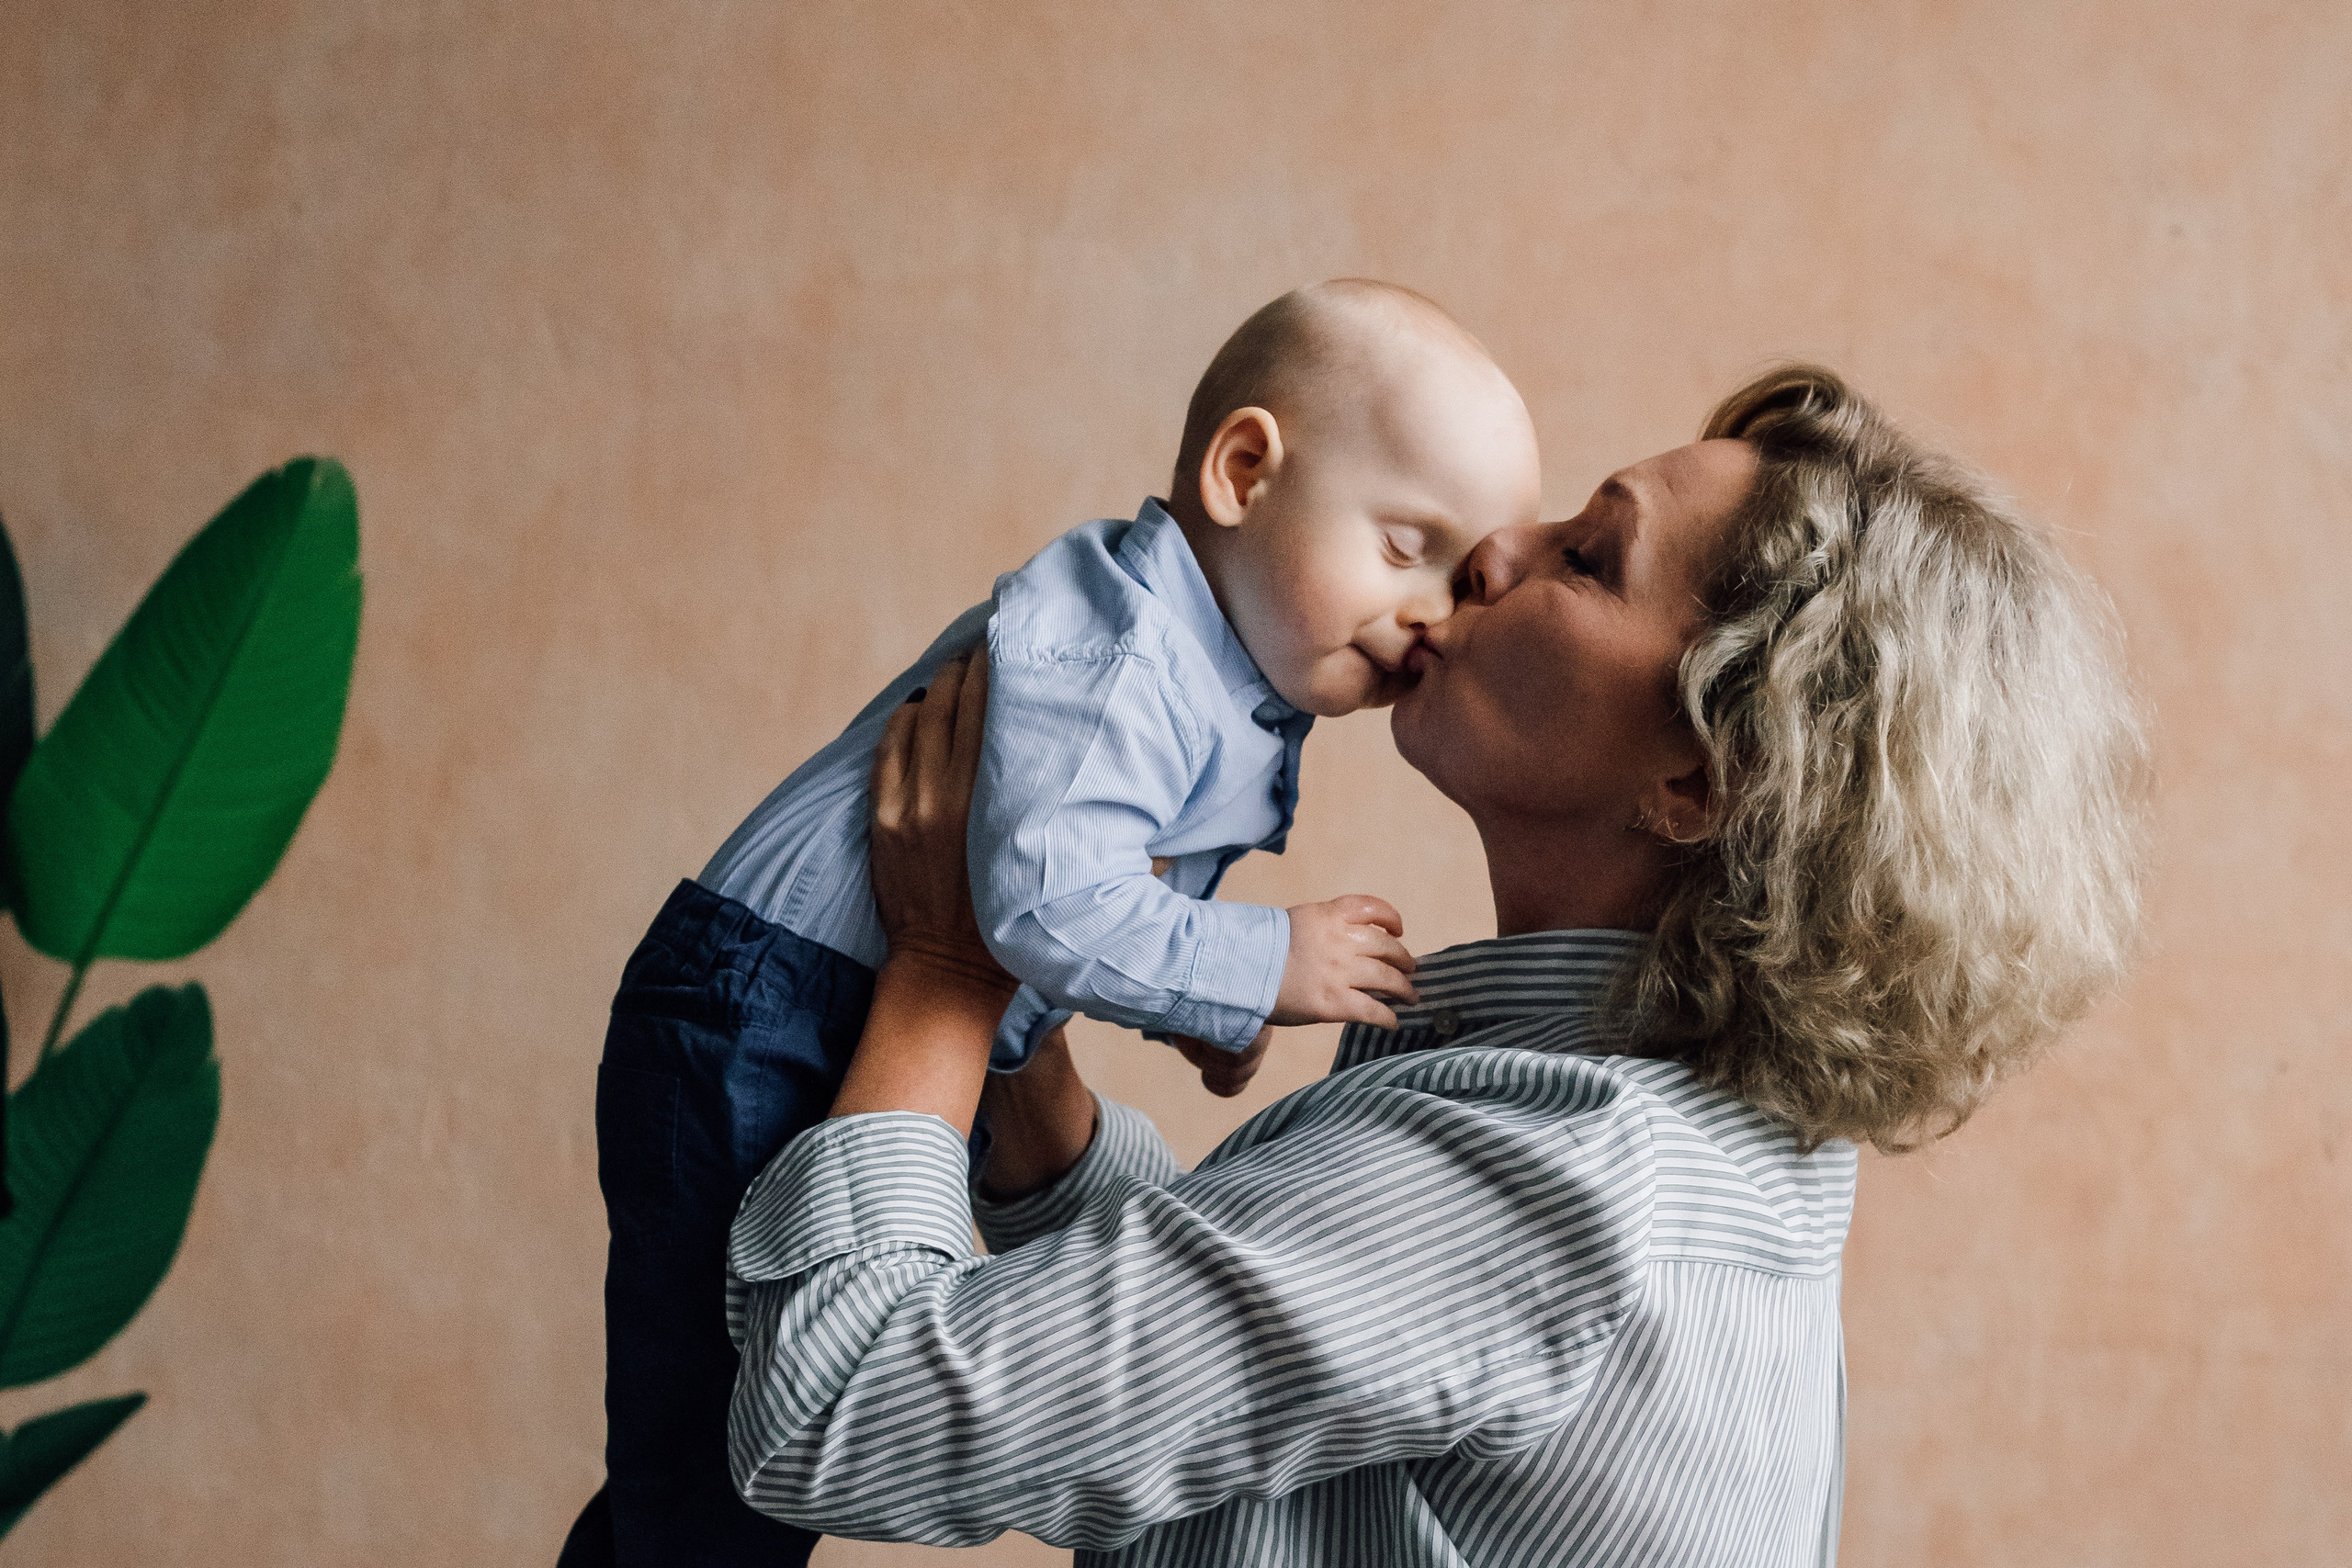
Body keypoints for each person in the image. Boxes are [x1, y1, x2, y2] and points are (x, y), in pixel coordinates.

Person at [721, 367, 2150, 1565]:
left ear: (1706, 781)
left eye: (1589, 557)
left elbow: (838, 1416)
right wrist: (1032, 1091)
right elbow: (1285, 1341)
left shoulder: (1557, 1185)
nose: (1492, 550)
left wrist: (948, 971)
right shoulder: (1691, 1162)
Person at [561, 280, 1542, 1565]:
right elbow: (1035, 904)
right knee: (708, 1491)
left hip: (824, 1006)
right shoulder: (1124, 640)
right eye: (1406, 546)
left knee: (700, 1487)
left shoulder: (1220, 672)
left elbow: (1077, 895)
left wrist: (1200, 1003)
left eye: (1461, 580)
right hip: (761, 1009)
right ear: (1244, 470)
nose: (1434, 617)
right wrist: (1260, 964)